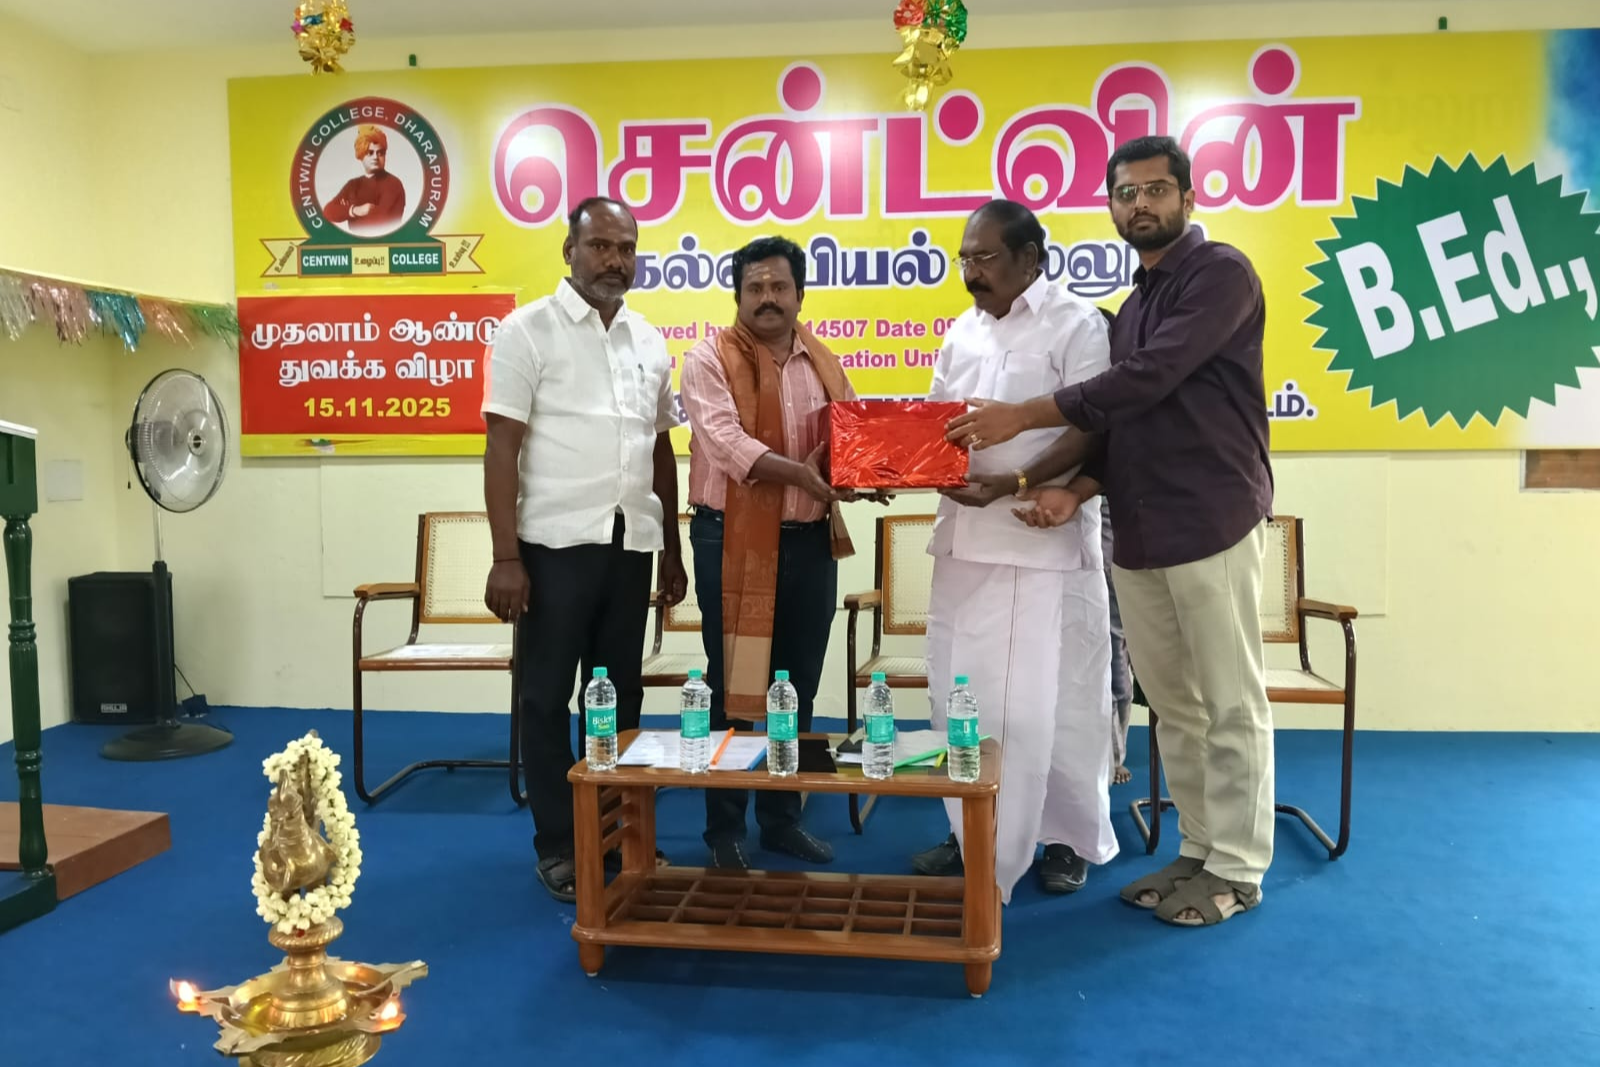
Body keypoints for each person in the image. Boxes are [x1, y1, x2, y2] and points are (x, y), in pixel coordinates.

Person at [946, 135, 1276, 928]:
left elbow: (1148, 378)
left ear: (1188, 197)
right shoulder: (1132, 307)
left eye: (1156, 190)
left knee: (1230, 703)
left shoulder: (1220, 274)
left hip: (1211, 517)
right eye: (1126, 193)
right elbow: (1121, 424)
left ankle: (1238, 866)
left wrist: (1023, 417)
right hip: (1139, 526)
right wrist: (1076, 489)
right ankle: (1198, 848)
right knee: (1177, 707)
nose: (1141, 205)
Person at [910, 199, 1119, 904]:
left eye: (985, 258)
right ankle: (972, 827)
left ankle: (1064, 837)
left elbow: (1095, 423)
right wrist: (890, 465)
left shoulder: (1077, 323)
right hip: (965, 540)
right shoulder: (961, 330)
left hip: (1040, 538)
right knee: (959, 693)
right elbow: (936, 425)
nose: (971, 272)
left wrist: (1017, 481)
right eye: (964, 259)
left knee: (1050, 704)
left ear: (1030, 258)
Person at [481, 197, 686, 904]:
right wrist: (505, 556)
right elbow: (501, 447)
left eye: (626, 248)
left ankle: (617, 830)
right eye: (600, 246)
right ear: (569, 251)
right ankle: (559, 843)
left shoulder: (648, 339)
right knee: (545, 698)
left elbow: (660, 450)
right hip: (552, 548)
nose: (614, 261)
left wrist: (672, 549)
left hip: (630, 545)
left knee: (619, 695)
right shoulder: (526, 330)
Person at [679, 235, 884, 870]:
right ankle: (724, 829)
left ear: (800, 293)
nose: (767, 298)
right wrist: (801, 474)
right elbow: (725, 443)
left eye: (779, 286)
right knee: (732, 685)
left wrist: (870, 472)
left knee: (796, 684)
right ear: (737, 295)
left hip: (808, 542)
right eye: (755, 287)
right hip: (732, 541)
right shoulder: (707, 358)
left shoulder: (822, 362)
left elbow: (849, 438)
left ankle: (781, 818)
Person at [323, 125, 407, 232]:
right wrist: (355, 210)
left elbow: (382, 223)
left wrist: (345, 211)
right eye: (370, 153)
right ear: (361, 154)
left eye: (380, 153)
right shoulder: (352, 184)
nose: (376, 157)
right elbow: (328, 211)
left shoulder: (393, 184)